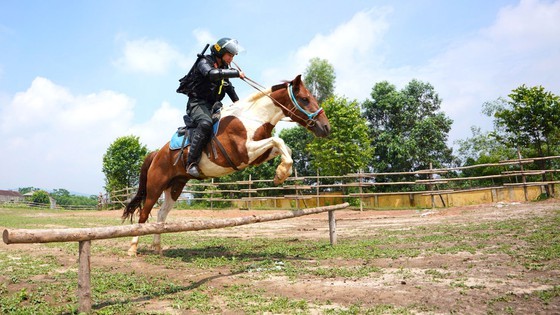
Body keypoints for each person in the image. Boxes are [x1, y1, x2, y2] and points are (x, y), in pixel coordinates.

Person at [179, 37, 245, 178]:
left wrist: (240, 106)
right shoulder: (204, 62)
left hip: (213, 106)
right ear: (220, 52)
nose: (231, 59)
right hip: (197, 103)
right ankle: (191, 163)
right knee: (205, 123)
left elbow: (229, 89)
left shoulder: (224, 68)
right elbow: (211, 74)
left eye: (233, 56)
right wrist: (236, 73)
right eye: (229, 55)